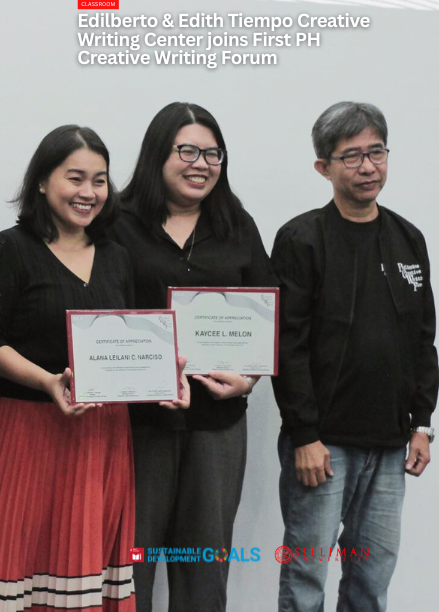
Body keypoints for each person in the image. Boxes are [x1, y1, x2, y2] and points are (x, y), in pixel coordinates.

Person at [0, 125, 189, 612]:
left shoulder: (117, 257)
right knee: (21, 555)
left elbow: (129, 344)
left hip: (102, 433)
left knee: (90, 562)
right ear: (42, 181)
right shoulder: (7, 248)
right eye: (75, 178)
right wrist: (48, 382)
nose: (89, 192)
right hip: (29, 430)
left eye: (100, 180)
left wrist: (166, 379)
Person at [271, 101, 438, 612]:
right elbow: (286, 344)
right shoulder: (301, 239)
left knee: (372, 577)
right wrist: (304, 434)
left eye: (376, 152)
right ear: (324, 167)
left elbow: (423, 339)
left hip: (389, 444)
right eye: (352, 156)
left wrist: (422, 424)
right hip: (323, 445)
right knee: (306, 574)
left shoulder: (408, 238)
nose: (368, 167)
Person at [111, 102, 275, 612]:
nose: (201, 164)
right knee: (129, 564)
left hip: (216, 424)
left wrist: (248, 380)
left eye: (212, 153)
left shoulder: (237, 226)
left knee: (204, 568)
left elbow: (267, 316)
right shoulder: (116, 222)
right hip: (136, 423)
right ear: (157, 154)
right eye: (187, 151)